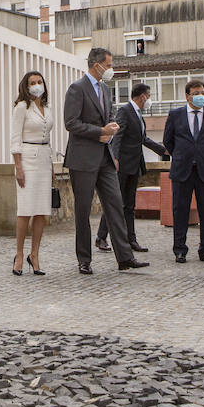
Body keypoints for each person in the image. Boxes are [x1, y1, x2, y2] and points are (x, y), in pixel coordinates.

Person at [64, 48, 149, 274]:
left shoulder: (104, 88)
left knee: (115, 205)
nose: (111, 69)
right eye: (109, 65)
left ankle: (125, 257)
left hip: (105, 157)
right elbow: (71, 123)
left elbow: (109, 116)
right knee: (83, 211)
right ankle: (84, 259)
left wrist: (110, 128)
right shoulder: (77, 89)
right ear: (97, 64)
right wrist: (98, 131)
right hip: (82, 158)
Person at [96, 82, 167, 253]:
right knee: (115, 203)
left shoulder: (138, 114)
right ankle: (101, 237)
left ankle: (130, 240)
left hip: (134, 166)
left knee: (129, 205)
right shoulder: (125, 111)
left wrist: (164, 150)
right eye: (149, 96)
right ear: (142, 96)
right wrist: (115, 157)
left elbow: (143, 139)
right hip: (123, 165)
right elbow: (118, 135)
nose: (149, 100)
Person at [162, 79, 204, 263]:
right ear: (187, 96)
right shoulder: (176, 114)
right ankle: (180, 249)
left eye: (202, 92)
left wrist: (203, 155)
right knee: (180, 210)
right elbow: (168, 141)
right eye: (196, 93)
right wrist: (182, 155)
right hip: (182, 169)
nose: (200, 96)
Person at [11, 71, 54, 275]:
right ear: (26, 87)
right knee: (25, 210)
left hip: (45, 159)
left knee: (41, 210)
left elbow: (48, 138)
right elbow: (15, 139)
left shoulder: (47, 108)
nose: (37, 85)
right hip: (27, 159)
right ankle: (19, 254)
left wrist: (52, 165)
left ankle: (34, 254)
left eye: (39, 82)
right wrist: (18, 166)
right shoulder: (22, 107)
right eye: (32, 83)